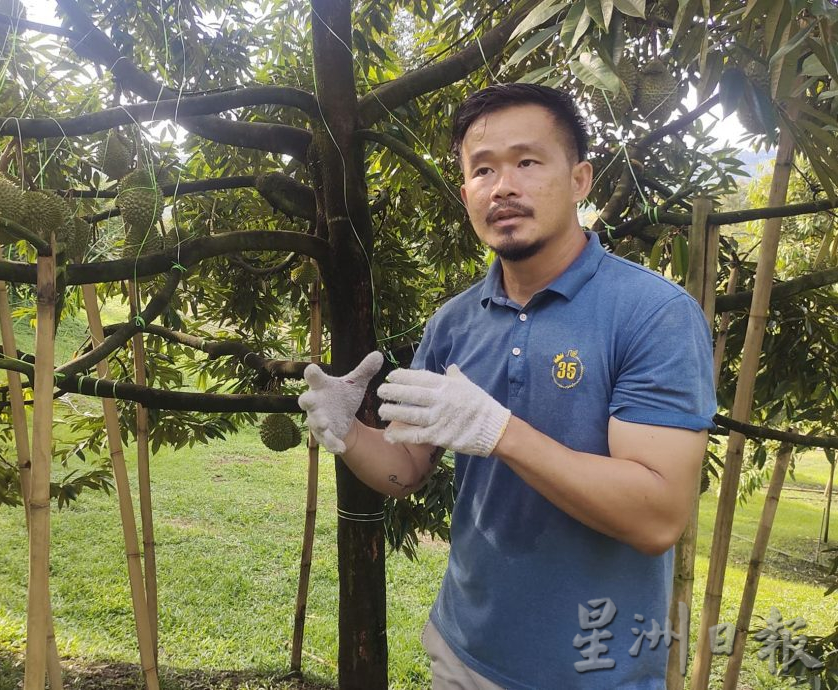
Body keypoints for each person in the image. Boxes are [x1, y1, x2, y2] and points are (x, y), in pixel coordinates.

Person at [298, 83, 717, 690]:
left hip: (597, 670)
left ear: (579, 179)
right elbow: (408, 469)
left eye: (527, 161)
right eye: (482, 169)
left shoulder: (653, 314)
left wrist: (499, 432)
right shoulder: (453, 323)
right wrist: (350, 433)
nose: (503, 187)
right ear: (465, 191)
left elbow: (655, 519)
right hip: (464, 654)